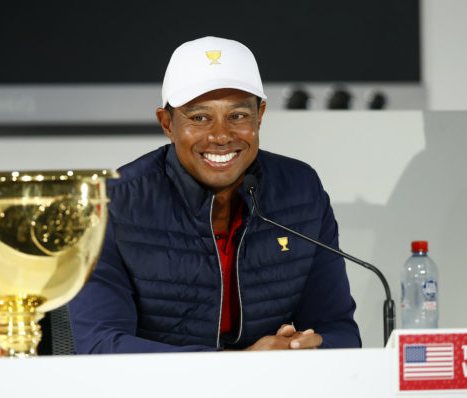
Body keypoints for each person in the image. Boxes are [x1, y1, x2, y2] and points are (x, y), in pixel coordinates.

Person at [68, 36, 361, 353]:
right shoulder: (112, 202)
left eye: (237, 116)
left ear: (259, 116)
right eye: (199, 117)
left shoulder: (301, 190)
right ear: (167, 124)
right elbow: (100, 346)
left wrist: (309, 347)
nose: (221, 135)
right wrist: (239, 365)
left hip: (275, 395)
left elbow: (339, 331)